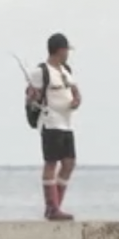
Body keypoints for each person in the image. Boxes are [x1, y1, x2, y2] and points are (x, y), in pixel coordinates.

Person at [25, 33, 81, 220]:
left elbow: (75, 91)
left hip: (66, 124)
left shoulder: (66, 71)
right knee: (51, 162)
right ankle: (52, 207)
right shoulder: (41, 71)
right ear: (60, 50)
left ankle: (56, 204)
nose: (68, 54)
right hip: (51, 123)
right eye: (66, 50)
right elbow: (32, 96)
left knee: (69, 163)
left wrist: (76, 101)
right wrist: (32, 96)